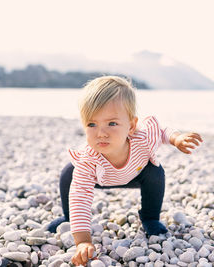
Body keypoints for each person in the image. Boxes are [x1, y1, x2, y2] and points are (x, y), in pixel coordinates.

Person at [47, 76, 203, 266]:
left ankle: (150, 218)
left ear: (131, 125)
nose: (101, 133)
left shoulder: (142, 137)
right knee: (68, 174)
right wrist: (83, 241)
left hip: (136, 173)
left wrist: (177, 139)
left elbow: (161, 130)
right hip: (100, 176)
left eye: (112, 124)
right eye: (92, 124)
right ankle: (68, 217)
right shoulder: (88, 160)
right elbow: (80, 196)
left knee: (156, 172)